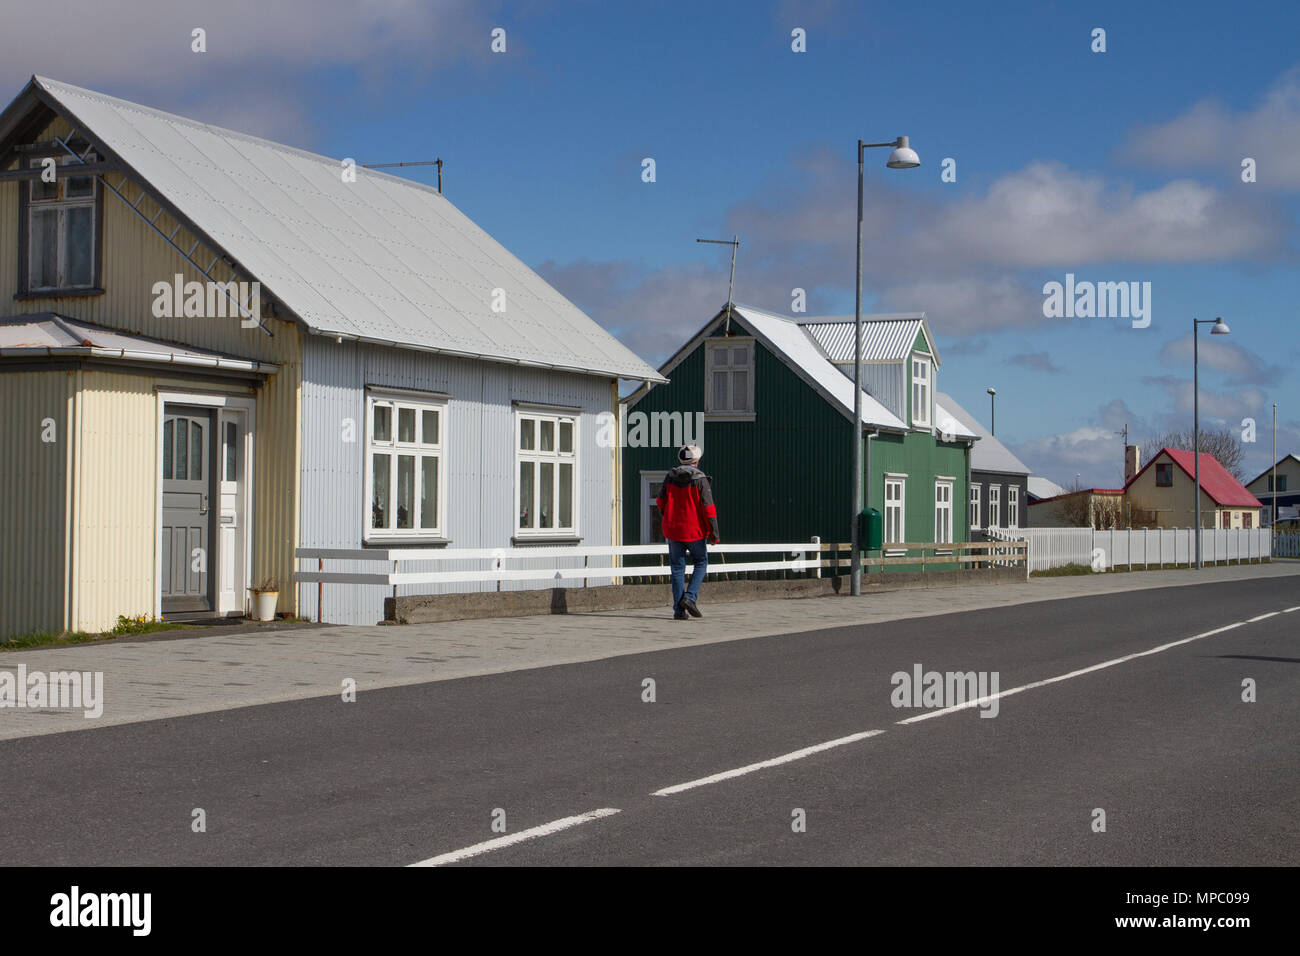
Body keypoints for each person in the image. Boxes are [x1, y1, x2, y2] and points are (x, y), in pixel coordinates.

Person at [655, 444, 721, 620]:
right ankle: (690, 598)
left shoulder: (670, 477)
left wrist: (667, 516)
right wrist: (714, 532)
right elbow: (709, 509)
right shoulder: (700, 479)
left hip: (673, 530)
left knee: (677, 568)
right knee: (701, 562)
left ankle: (678, 611)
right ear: (696, 461)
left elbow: (660, 501)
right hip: (694, 531)